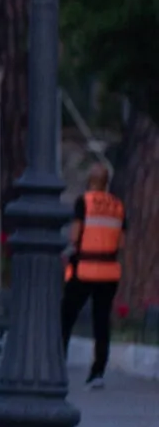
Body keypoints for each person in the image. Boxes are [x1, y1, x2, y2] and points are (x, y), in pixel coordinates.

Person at [63, 162, 127, 388]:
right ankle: (98, 371)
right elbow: (121, 241)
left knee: (66, 317)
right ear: (107, 182)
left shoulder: (84, 202)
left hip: (84, 269)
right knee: (101, 322)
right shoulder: (118, 205)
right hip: (109, 272)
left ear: (90, 181)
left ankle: (58, 363)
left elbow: (74, 236)